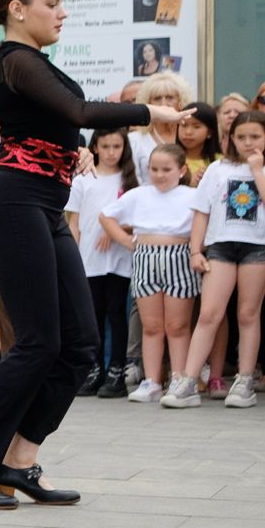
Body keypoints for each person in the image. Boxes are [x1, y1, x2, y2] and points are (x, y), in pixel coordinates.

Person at [0, 0, 169, 510]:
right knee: (41, 340)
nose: (62, 12)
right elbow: (80, 113)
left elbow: (56, 127)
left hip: (43, 201)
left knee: (80, 344)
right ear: (19, 10)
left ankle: (18, 464)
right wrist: (147, 111)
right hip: (15, 202)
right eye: (53, 3)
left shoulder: (37, 65)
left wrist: (75, 153)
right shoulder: (15, 60)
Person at [164, 113, 265, 409]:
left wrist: (258, 171)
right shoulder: (216, 170)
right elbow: (201, 211)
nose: (248, 142)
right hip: (221, 246)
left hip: (258, 248)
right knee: (209, 313)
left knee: (248, 314)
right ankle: (188, 380)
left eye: (255, 137)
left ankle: (244, 381)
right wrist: (196, 250)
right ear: (230, 138)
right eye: (241, 136)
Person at [100, 144, 199, 404]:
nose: (160, 174)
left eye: (167, 169)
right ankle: (152, 380)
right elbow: (106, 216)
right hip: (145, 257)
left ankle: (180, 379)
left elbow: (204, 222)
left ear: (182, 170)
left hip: (179, 257)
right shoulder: (139, 195)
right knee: (152, 325)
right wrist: (127, 241)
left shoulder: (192, 195)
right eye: (154, 169)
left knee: (177, 326)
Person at [65, 127, 136, 398]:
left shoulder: (128, 180)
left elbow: (134, 217)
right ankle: (93, 369)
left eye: (116, 147)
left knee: (116, 313)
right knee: (92, 315)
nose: (110, 153)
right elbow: (74, 222)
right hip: (89, 258)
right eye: (105, 147)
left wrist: (113, 230)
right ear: (95, 147)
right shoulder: (84, 179)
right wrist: (72, 257)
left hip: (118, 258)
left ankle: (116, 370)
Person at [177, 102, 220, 181]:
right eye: (184, 125)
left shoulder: (220, 162)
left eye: (196, 127)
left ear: (209, 133)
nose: (188, 132)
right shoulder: (168, 158)